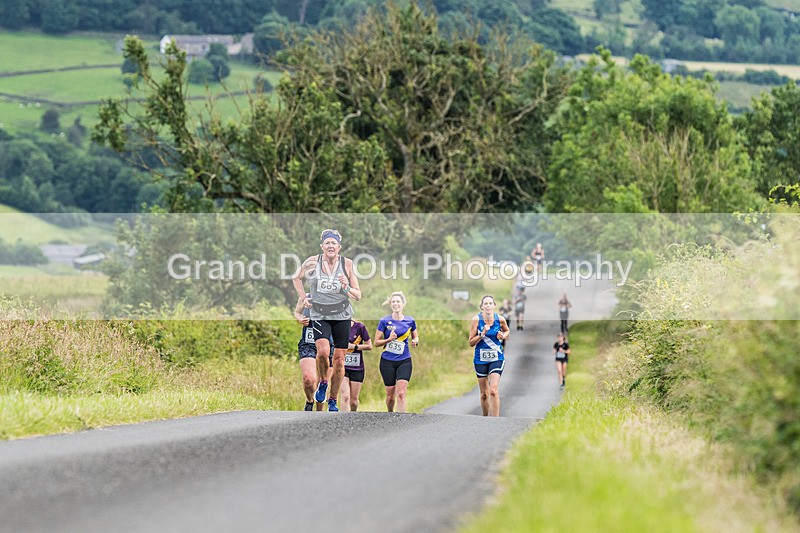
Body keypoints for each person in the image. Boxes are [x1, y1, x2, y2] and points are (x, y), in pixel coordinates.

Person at [292, 228, 361, 412]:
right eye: (327, 243)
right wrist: (303, 297)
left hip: (342, 315)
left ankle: (332, 399)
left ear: (339, 246)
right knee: (322, 352)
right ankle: (323, 383)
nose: (330, 245)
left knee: (339, 360)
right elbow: (296, 278)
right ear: (322, 246)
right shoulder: (313, 262)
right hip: (319, 314)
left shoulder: (347, 264)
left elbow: (358, 295)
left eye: (334, 243)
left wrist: (345, 287)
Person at [374, 291, 418, 413]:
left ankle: (401, 420)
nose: (395, 304)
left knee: (402, 393)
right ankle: (390, 414)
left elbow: (416, 337)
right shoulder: (384, 321)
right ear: (390, 304)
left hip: (404, 360)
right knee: (390, 396)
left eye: (398, 301)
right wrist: (388, 339)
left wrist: (415, 341)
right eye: (393, 301)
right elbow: (376, 342)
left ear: (403, 304)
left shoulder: (410, 321)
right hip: (387, 361)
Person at [468, 295, 510, 416]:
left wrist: (503, 335)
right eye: (485, 304)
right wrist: (482, 334)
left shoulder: (500, 319)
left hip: (497, 357)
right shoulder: (476, 320)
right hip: (480, 359)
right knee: (484, 394)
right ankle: (485, 419)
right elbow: (471, 342)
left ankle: (495, 421)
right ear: (481, 307)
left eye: (490, 303)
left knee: (493, 390)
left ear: (494, 306)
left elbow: (507, 330)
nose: (488, 306)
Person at [293, 294, 334, 411]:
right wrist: (300, 318)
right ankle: (309, 400)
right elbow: (297, 312)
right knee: (309, 379)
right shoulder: (306, 296)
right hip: (308, 343)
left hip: (327, 343)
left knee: (323, 381)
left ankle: (318, 415)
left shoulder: (335, 297)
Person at [339, 319, 372, 412]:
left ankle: (353, 417)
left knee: (353, 401)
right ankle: (342, 421)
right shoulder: (336, 326)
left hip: (357, 368)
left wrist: (354, 347)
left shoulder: (360, 327)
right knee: (345, 396)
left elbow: (369, 346)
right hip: (342, 366)